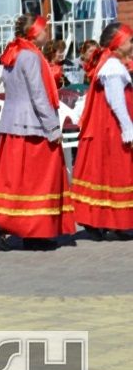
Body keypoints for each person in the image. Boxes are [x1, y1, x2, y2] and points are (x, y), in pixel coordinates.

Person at [0, 15, 75, 250]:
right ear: (34, 33)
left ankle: (3, 221)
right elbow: (38, 94)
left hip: (12, 124)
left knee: (15, 181)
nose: (48, 32)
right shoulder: (31, 56)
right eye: (45, 29)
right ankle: (35, 232)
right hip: (33, 127)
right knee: (37, 181)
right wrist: (52, 127)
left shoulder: (14, 53)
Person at [71, 22, 133, 238]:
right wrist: (128, 128)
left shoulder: (110, 62)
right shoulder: (113, 67)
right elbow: (116, 102)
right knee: (117, 173)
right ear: (117, 43)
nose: (132, 43)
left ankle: (111, 220)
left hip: (110, 128)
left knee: (108, 175)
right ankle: (112, 221)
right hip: (113, 129)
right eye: (129, 40)